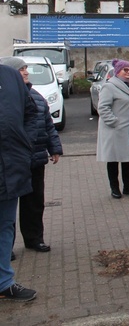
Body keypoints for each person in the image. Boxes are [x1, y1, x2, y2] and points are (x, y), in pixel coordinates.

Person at [2, 58, 62, 254]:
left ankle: (34, 239)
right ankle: (6, 247)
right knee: (7, 207)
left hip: (35, 159)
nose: (26, 72)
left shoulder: (37, 97)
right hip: (10, 162)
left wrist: (55, 148)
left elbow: (48, 125)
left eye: (26, 68)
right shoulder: (6, 99)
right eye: (21, 69)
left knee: (34, 203)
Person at [0, 63, 38, 301]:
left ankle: (4, 282)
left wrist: (26, 144)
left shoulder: (10, 76)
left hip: (10, 167)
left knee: (4, 227)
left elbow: (31, 112)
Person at [96, 59, 129, 199]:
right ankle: (114, 188)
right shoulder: (110, 86)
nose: (128, 73)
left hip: (126, 129)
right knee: (113, 160)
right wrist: (114, 122)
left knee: (127, 159)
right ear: (117, 71)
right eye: (125, 70)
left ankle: (128, 186)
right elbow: (103, 107)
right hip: (113, 130)